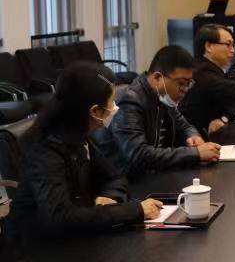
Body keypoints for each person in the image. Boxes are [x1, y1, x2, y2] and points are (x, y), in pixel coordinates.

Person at [11, 62, 162, 238]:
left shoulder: (80, 133)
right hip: (35, 247)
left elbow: (114, 177)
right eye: (111, 102)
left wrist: (111, 199)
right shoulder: (45, 149)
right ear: (95, 111)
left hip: (76, 238)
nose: (114, 108)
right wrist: (133, 210)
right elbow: (60, 217)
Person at [97, 45, 221, 177]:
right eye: (181, 83)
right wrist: (195, 154)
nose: (185, 90)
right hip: (129, 180)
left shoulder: (163, 97)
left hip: (154, 173)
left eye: (188, 84)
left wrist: (193, 136)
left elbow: (184, 125)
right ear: (157, 78)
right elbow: (138, 154)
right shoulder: (129, 101)